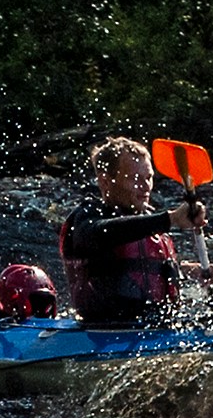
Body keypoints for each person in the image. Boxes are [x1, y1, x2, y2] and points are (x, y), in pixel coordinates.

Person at [58, 138, 186, 326]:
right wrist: (170, 219)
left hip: (157, 324)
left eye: (148, 177)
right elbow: (102, 234)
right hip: (104, 326)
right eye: (135, 178)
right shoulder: (87, 217)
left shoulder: (150, 221)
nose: (146, 186)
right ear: (106, 181)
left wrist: (188, 271)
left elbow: (143, 267)